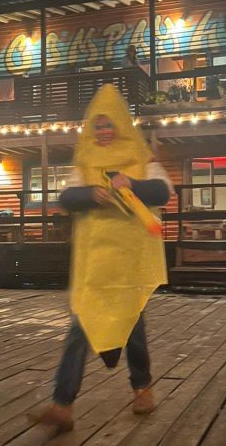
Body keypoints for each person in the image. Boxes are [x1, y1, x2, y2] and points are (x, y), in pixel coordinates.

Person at [34, 84, 172, 432]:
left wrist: (132, 184)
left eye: (109, 124)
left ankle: (142, 388)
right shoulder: (85, 160)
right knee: (80, 328)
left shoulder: (142, 157)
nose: (104, 132)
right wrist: (90, 193)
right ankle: (62, 405)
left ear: (121, 124)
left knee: (132, 327)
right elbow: (67, 197)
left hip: (129, 261)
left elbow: (163, 192)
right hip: (95, 263)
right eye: (98, 126)